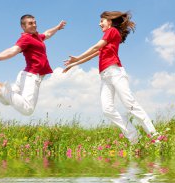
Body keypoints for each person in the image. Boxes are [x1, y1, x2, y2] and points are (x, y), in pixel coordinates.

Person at [63, 11, 156, 143]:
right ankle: (134, 137)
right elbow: (93, 54)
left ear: (110, 21)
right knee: (107, 109)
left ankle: (156, 137)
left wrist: (77, 56)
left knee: (130, 104)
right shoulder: (108, 39)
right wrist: (74, 64)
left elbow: (96, 46)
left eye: (102, 21)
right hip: (105, 76)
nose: (99, 24)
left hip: (115, 72)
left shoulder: (112, 31)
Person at [0, 14, 66, 116]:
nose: (34, 25)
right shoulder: (26, 38)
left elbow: (47, 33)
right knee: (28, 110)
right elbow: (13, 50)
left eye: (35, 23)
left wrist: (57, 28)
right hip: (31, 76)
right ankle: (0, 88)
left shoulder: (36, 37)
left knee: (6, 101)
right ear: (23, 27)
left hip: (25, 75)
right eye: (30, 23)